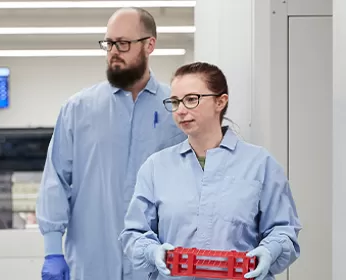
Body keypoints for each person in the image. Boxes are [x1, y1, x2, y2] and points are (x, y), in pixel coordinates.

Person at [36, 7, 186, 280]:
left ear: (149, 45)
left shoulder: (176, 110)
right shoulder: (78, 109)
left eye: (123, 44)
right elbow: (55, 181)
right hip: (93, 263)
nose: (113, 51)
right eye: (109, 44)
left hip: (157, 266)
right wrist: (52, 251)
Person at [119, 62, 302, 280]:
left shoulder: (260, 164)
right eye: (175, 102)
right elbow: (134, 233)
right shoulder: (156, 167)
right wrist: (152, 251)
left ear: (220, 101)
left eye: (191, 99)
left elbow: (284, 230)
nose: (181, 110)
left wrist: (271, 251)